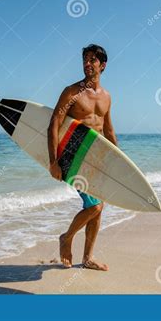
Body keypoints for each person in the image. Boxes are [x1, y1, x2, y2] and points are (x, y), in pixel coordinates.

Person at [47, 44, 117, 271]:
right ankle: (66, 238)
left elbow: (108, 131)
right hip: (72, 155)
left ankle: (87, 258)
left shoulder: (107, 97)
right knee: (95, 207)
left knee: (98, 207)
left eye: (92, 60)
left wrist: (118, 163)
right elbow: (54, 124)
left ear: (102, 65)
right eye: (85, 59)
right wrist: (54, 161)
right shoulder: (72, 92)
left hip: (95, 158)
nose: (87, 63)